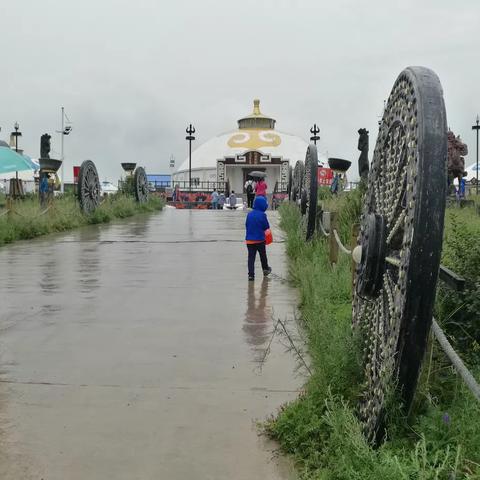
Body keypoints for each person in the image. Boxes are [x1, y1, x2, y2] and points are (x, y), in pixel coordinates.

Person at [245, 196, 272, 281]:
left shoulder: (249, 214)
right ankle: (265, 269)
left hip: (249, 241)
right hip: (260, 240)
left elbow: (246, 225)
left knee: (251, 258)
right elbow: (266, 227)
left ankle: (251, 275)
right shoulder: (262, 215)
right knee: (263, 256)